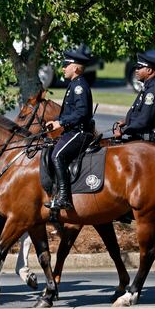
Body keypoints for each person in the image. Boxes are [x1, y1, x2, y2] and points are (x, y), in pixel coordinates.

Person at [44, 48, 94, 214]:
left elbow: (81, 112)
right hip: (71, 131)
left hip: (80, 132)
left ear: (76, 68)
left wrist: (61, 122)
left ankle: (64, 197)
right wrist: (56, 122)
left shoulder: (79, 86)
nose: (63, 68)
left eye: (66, 65)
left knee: (57, 155)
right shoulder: (74, 84)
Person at [113, 52, 155, 147]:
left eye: (139, 68)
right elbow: (138, 112)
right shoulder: (148, 86)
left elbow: (144, 120)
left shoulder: (153, 90)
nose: (136, 71)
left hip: (149, 141)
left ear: (149, 70)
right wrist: (127, 121)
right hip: (141, 137)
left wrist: (123, 131)